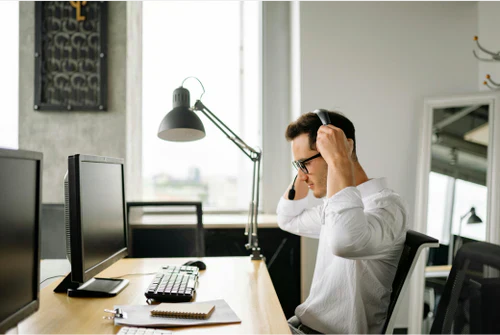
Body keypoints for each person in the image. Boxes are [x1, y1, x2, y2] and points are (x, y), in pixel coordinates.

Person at [277, 110, 408, 335]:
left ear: (341, 149)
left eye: (305, 164)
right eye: (297, 166)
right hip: (303, 326)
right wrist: (303, 168)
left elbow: (345, 242)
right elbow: (288, 219)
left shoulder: (386, 208)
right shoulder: (336, 205)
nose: (303, 176)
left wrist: (339, 159)